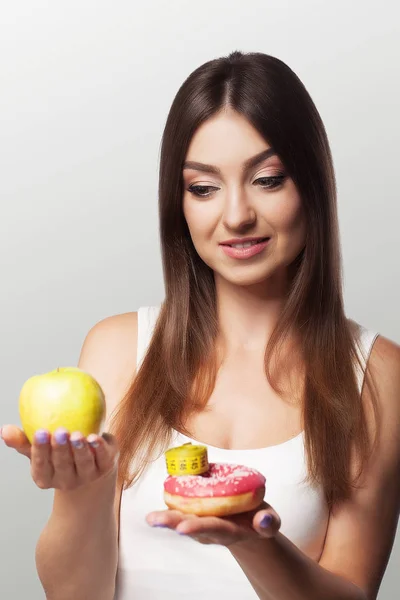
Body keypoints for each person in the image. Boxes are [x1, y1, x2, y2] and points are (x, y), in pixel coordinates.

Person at [2, 50, 399, 600]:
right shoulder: (118, 349)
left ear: (312, 185)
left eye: (268, 178)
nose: (235, 215)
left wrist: (252, 539)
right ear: (179, 206)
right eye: (204, 188)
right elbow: (73, 594)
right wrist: (84, 490)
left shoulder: (379, 374)